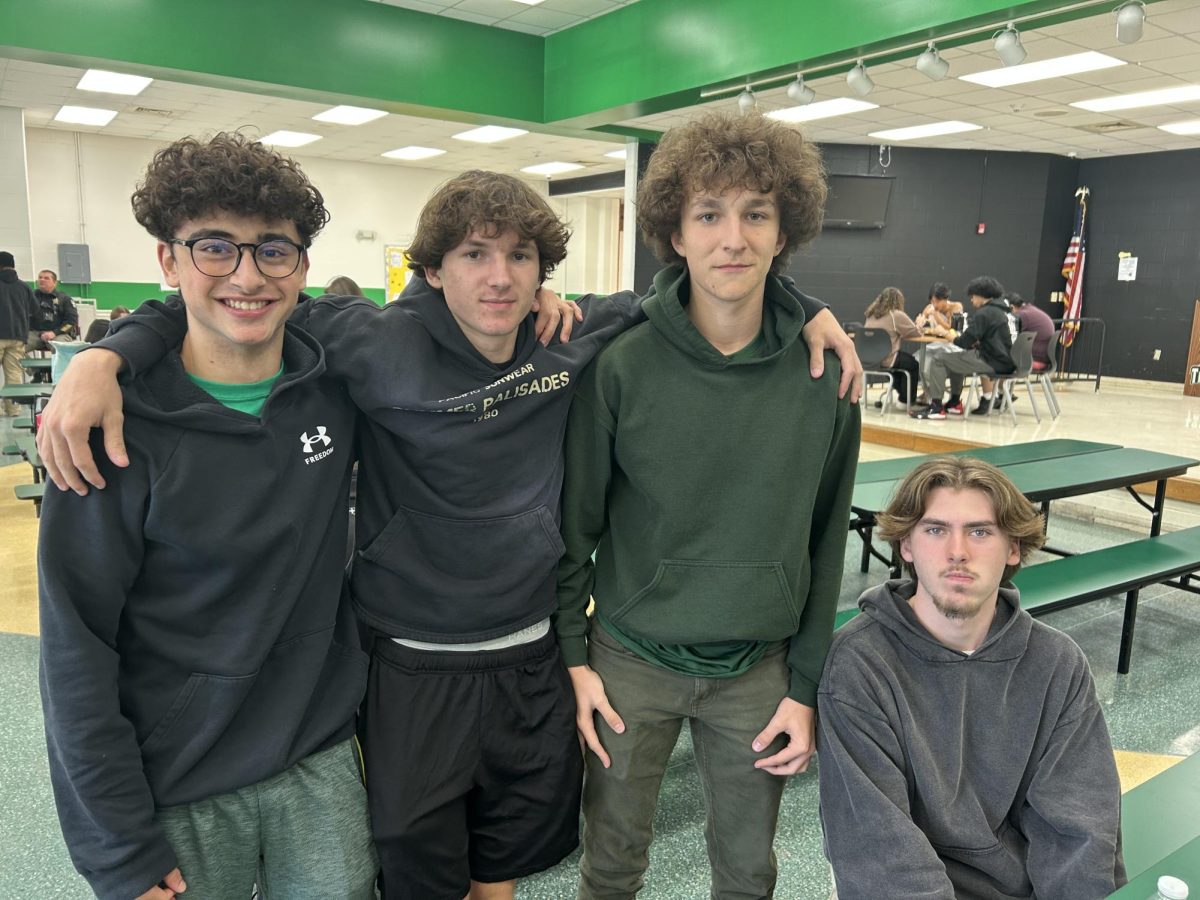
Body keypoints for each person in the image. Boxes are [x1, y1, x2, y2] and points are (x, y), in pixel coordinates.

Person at [36, 164, 867, 900]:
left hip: (506, 659)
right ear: (429, 271)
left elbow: (704, 287)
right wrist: (104, 355)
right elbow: (229, 306)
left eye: (519, 258)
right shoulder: (360, 346)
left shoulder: (573, 338)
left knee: (506, 854)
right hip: (389, 666)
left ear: (546, 273)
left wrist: (808, 307)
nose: (499, 278)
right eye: (472, 254)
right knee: (416, 861)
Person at [38, 133, 378, 900]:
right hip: (179, 780)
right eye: (215, 249)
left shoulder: (335, 385)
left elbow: (450, 321)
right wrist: (116, 844)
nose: (248, 277)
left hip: (317, 758)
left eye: (274, 251)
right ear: (169, 260)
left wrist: (540, 301)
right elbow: (74, 651)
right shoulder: (111, 429)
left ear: (302, 266)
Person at [556, 112, 860, 900]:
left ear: (783, 229)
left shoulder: (826, 375)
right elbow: (574, 529)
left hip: (758, 672)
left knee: (750, 872)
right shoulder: (618, 366)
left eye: (756, 213)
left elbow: (829, 545)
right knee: (611, 865)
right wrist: (574, 658)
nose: (734, 237)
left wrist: (806, 685)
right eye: (709, 213)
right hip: (629, 663)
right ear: (675, 232)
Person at [818, 456, 1125, 898]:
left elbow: (1081, 831)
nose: (957, 551)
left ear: (1014, 548)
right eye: (935, 529)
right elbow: (879, 850)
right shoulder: (859, 664)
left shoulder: (1057, 663)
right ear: (906, 545)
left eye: (980, 531)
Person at [911, 276, 1015, 420]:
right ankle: (954, 402)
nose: (971, 300)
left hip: (991, 361)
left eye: (973, 296)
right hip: (1003, 360)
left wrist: (946, 334)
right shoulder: (1000, 310)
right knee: (955, 359)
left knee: (938, 359)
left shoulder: (984, 313)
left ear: (981, 295)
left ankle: (936, 407)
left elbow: (963, 342)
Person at [863, 285, 920, 405]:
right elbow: (916, 332)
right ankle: (907, 400)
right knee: (913, 364)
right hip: (887, 358)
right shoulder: (896, 315)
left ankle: (903, 397)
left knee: (902, 364)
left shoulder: (870, 315)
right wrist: (920, 323)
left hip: (870, 359)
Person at [1, 250, 37, 415]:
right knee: (14, 372)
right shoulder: (24, 286)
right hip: (18, 335)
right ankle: (13, 409)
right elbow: (34, 309)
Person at [1010, 292, 1055, 371]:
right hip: (1044, 357)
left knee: (997, 359)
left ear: (1011, 307)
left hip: (1034, 359)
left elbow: (1008, 334)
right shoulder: (1030, 310)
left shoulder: (1023, 315)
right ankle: (1003, 383)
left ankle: (1000, 383)